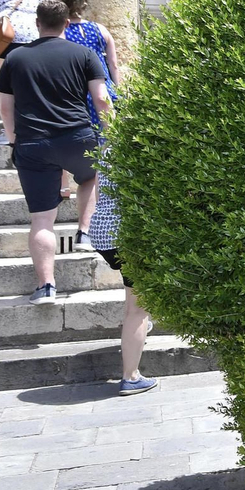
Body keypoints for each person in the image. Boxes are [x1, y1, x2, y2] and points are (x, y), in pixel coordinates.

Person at [0, 0, 111, 306]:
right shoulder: (84, 54)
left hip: (33, 143)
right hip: (77, 137)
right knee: (88, 178)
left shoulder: (15, 57)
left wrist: (12, 138)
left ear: (36, 23)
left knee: (42, 220)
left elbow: (5, 105)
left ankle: (46, 287)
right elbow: (101, 99)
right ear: (67, 24)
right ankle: (84, 233)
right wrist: (111, 133)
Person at [86, 160, 156, 396]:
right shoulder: (139, 146)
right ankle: (131, 376)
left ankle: (144, 325)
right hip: (126, 234)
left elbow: (98, 193)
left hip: (101, 232)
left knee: (135, 301)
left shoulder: (106, 149)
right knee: (137, 310)